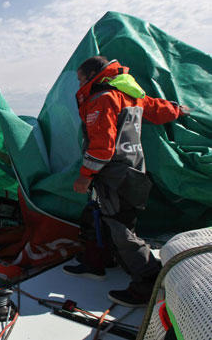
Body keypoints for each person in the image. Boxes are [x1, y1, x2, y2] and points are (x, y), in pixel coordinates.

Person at [63, 56, 190, 307]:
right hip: (133, 170)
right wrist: (179, 110)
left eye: (80, 79)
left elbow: (102, 149)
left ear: (91, 76)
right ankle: (96, 262)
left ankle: (148, 282)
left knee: (122, 228)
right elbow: (156, 108)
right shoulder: (128, 94)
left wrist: (83, 177)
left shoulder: (102, 99)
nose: (78, 84)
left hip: (115, 174)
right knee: (96, 215)